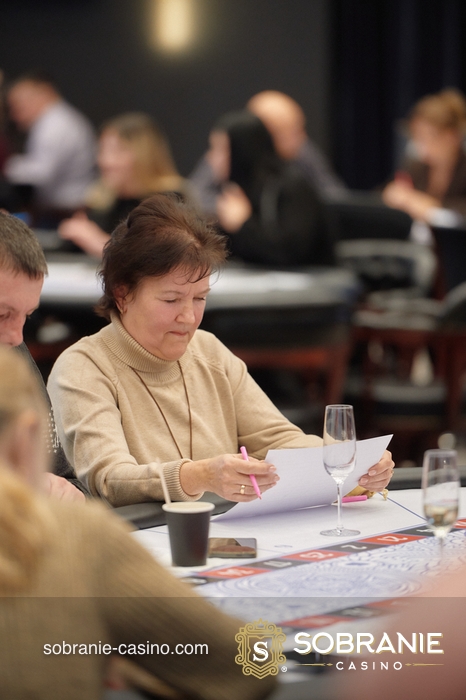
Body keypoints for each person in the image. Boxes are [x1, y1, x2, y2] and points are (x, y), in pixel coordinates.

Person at [47, 193, 394, 507]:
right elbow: (109, 479)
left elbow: (276, 438)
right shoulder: (83, 368)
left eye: (200, 298)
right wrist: (199, 476)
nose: (189, 317)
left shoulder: (208, 350)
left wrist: (351, 461)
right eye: (171, 300)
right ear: (122, 295)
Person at [0, 346, 276, 700]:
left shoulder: (209, 352)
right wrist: (134, 665)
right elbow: (249, 662)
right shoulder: (77, 536)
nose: (187, 319)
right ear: (26, 435)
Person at [0, 210, 86, 500]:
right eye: (2, 315)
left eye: (27, 315)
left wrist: (70, 496)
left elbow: (63, 476)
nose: (17, 336)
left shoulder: (13, 355)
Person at [205, 109, 334, 267]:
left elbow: (291, 253)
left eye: (219, 150)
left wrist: (243, 224)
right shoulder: (235, 190)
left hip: (312, 276)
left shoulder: (290, 185)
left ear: (241, 151)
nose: (210, 158)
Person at [189, 90, 346, 215]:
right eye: (293, 132)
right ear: (266, 135)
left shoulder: (303, 151)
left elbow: (335, 195)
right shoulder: (228, 154)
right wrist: (229, 209)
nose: (303, 137)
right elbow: (194, 196)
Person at [58, 112, 187, 258]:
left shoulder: (169, 202)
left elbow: (158, 258)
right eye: (102, 150)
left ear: (144, 154)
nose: (105, 161)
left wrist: (97, 241)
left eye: (117, 151)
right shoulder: (102, 201)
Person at [3, 71, 96, 221]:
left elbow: (42, 173)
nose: (14, 114)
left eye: (19, 104)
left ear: (44, 93)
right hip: (61, 209)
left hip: (65, 212)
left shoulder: (55, 124)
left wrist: (6, 166)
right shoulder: (54, 121)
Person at [382, 88, 466, 227]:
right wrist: (390, 193)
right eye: (418, 137)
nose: (422, 145)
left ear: (451, 136)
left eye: (428, 137)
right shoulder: (416, 166)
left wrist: (431, 206)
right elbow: (381, 194)